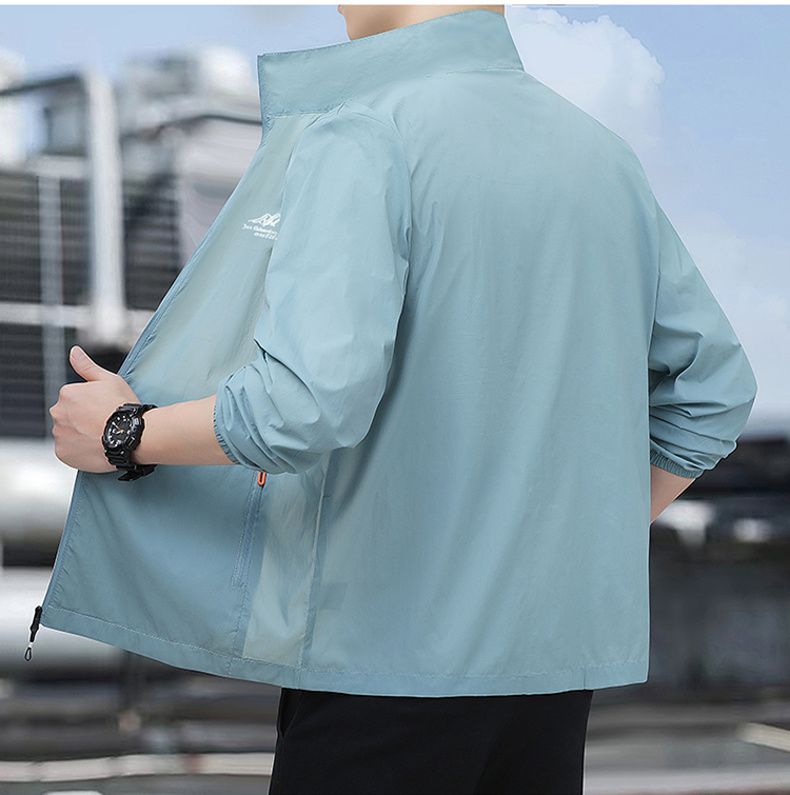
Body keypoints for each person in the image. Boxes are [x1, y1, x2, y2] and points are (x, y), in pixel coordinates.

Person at [49, 4, 758, 794]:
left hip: (383, 663)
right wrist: (573, 544)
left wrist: (123, 430)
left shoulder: (366, 130)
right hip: (549, 673)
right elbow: (715, 389)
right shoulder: (601, 157)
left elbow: (304, 403)